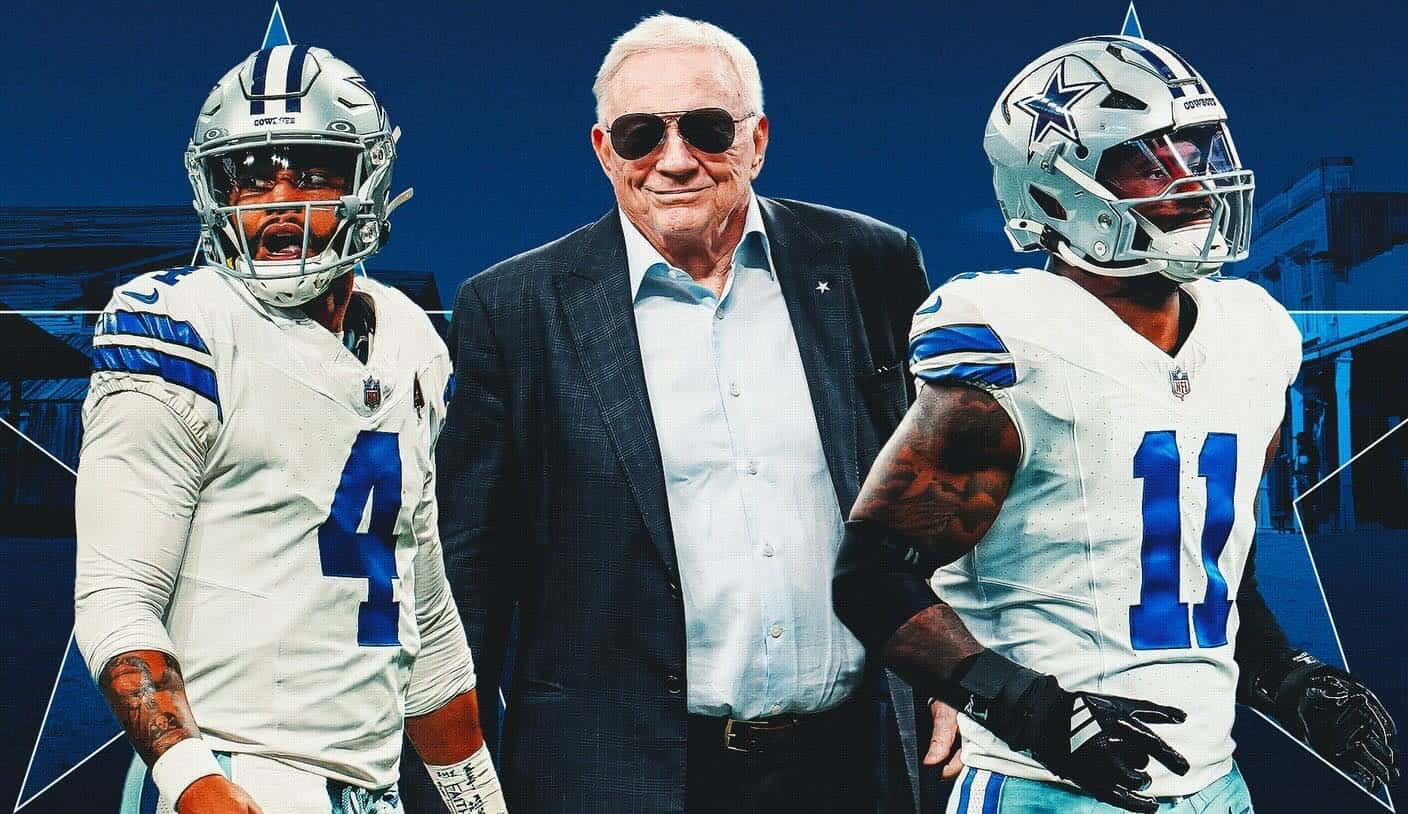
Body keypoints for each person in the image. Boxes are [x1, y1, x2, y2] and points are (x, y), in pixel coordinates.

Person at [832, 34, 1398, 813]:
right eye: (1148, 159)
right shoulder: (1013, 339)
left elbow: (1211, 563)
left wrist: (1286, 678)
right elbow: (870, 577)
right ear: (1055, 190)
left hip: (1215, 784)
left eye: (1195, 149)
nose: (1193, 179)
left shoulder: (1254, 333)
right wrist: (1027, 708)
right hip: (1047, 792)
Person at [413, 12, 935, 813]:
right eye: (640, 135)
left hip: (854, 763)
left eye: (706, 127)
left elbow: (934, 504)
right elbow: (471, 580)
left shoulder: (871, 265)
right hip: (610, 776)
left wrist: (952, 679)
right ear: (603, 150)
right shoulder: (513, 309)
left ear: (757, 139)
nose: (676, 160)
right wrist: (453, 786)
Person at [73, 44, 505, 814]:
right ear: (215, 189)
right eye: (250, 175)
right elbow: (117, 595)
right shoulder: (180, 324)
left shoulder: (411, 341)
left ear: (366, 182)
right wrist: (193, 782)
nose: (279, 201)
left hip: (373, 790)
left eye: (311, 171)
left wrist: (479, 804)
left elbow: (422, 615)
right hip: (236, 775)